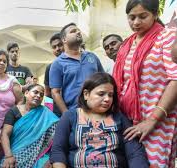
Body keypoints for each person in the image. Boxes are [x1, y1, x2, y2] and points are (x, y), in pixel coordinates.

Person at [112, 0, 177, 167]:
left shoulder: (167, 36)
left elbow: (175, 79)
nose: (136, 22)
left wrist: (152, 120)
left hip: (157, 122)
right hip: (126, 122)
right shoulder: (127, 44)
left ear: (155, 15)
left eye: (143, 16)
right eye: (131, 17)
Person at [51, 72, 149, 168]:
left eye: (110, 95)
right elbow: (58, 150)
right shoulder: (70, 117)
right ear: (86, 94)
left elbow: (135, 153)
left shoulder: (119, 118)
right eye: (101, 94)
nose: (107, 99)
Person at [49, 23, 104, 114]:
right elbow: (55, 93)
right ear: (64, 39)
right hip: (75, 112)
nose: (78, 32)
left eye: (78, 30)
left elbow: (104, 80)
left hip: (98, 110)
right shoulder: (57, 63)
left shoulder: (92, 57)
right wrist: (66, 114)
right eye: (73, 31)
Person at [0, 84, 59, 167]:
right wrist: (8, 156)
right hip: (15, 152)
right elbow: (5, 134)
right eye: (35, 92)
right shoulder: (13, 111)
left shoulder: (46, 114)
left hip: (39, 154)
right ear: (26, 93)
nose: (38, 96)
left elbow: (57, 134)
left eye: (41, 95)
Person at [0, 49, 23, 136]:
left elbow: (21, 100)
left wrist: (12, 118)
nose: (2, 63)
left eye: (4, 62)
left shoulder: (12, 81)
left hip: (7, 125)